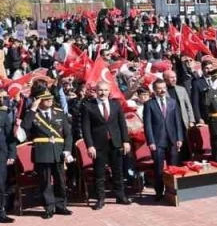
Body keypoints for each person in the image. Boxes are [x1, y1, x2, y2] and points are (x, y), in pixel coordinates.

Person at [23, 86, 74, 218]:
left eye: (50, 98)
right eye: (45, 99)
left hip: (58, 151)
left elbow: (68, 134)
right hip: (43, 152)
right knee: (45, 182)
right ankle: (49, 207)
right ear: (38, 100)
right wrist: (33, 109)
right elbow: (25, 127)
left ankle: (61, 205)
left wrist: (67, 150)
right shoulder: (33, 114)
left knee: (61, 181)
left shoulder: (59, 112)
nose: (50, 101)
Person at [80, 79, 131, 209]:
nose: (103, 93)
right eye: (100, 90)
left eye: (105, 90)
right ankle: (100, 199)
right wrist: (89, 145)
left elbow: (122, 125)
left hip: (115, 143)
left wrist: (125, 141)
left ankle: (120, 196)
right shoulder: (88, 106)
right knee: (99, 174)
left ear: (109, 91)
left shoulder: (116, 105)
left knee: (118, 172)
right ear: (96, 91)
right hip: (98, 145)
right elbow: (85, 128)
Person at [143, 80, 185, 197]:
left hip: (172, 139)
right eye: (159, 88)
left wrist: (179, 138)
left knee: (173, 167)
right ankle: (159, 192)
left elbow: (177, 121)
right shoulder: (149, 104)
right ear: (155, 90)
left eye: (164, 88)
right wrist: (151, 141)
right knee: (158, 168)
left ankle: (172, 190)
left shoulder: (172, 102)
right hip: (157, 141)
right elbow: (148, 125)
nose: (162, 90)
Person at [0, 96, 16, 222]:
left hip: (1, 154)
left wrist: (11, 154)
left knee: (1, 185)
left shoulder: (3, 115)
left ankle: (1, 213)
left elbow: (10, 137)